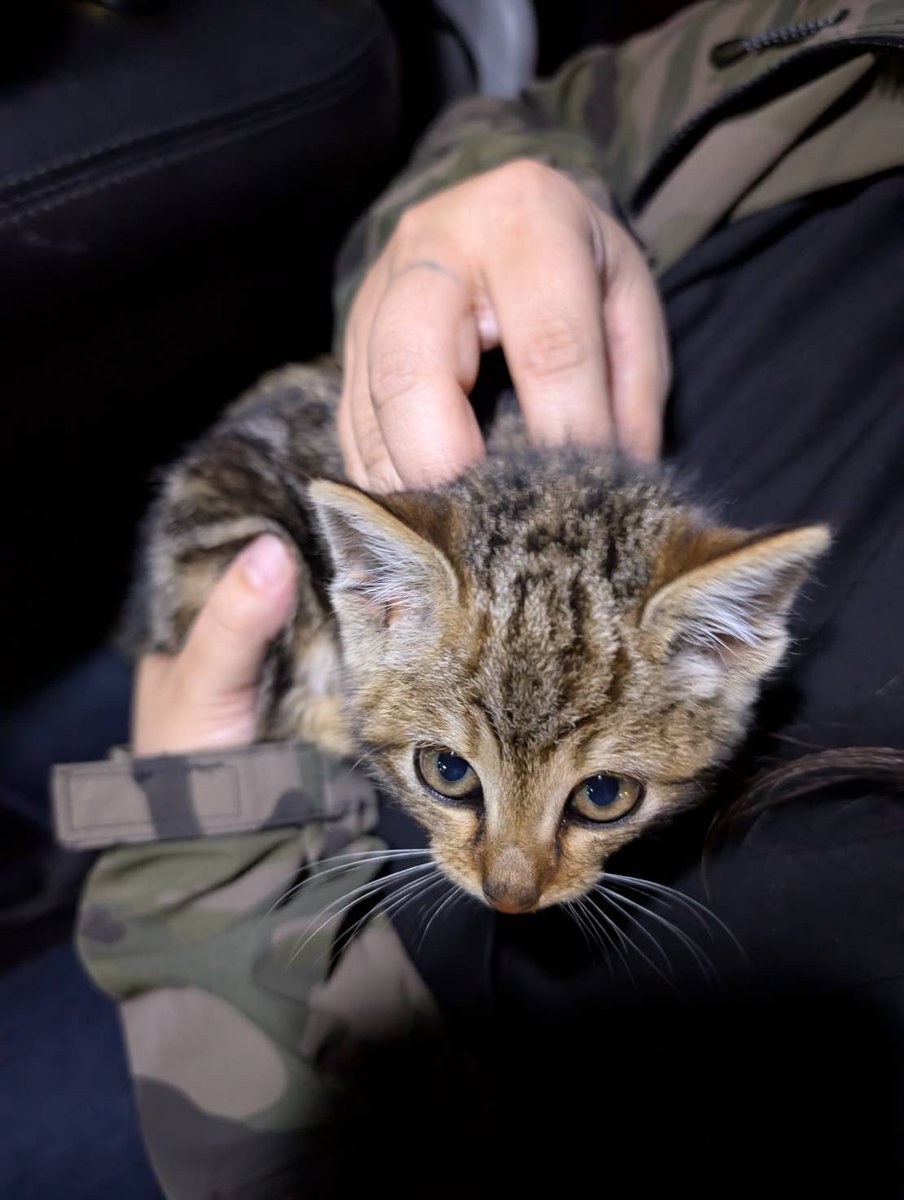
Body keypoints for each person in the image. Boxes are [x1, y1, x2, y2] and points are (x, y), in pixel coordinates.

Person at [56, 1, 904, 1195]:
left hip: (285, 978)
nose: (513, 879)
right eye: (455, 778)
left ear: (731, 649)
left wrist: (199, 843)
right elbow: (551, 112)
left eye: (601, 795)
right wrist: (487, 187)